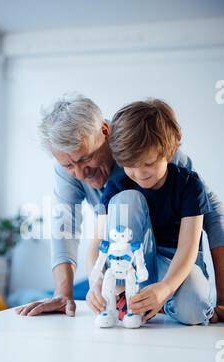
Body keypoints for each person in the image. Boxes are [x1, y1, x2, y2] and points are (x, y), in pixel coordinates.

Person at [16, 94, 224, 321]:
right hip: (126, 260)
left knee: (192, 305)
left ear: (106, 132)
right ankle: (132, 296)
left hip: (172, 257)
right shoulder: (83, 174)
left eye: (87, 158)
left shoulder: (154, 147)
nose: (80, 173)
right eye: (68, 165)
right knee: (125, 205)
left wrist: (222, 299)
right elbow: (66, 225)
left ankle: (162, 300)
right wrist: (63, 294)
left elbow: (210, 216)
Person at [87, 99, 215, 325]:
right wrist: (94, 281)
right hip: (132, 265)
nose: (139, 173)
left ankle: (163, 302)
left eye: (149, 163)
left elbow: (188, 248)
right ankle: (126, 294)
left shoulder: (189, 186)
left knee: (193, 311)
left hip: (176, 264)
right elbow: (98, 241)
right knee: (126, 199)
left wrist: (166, 287)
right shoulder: (118, 186)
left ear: (171, 150)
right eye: (130, 164)